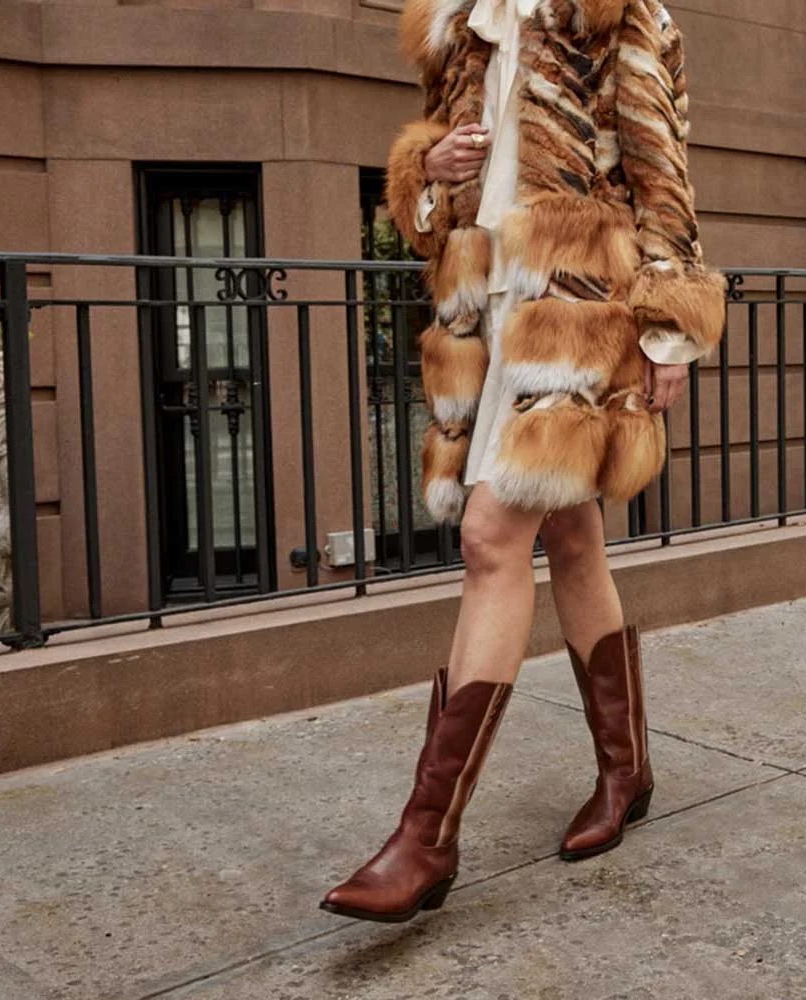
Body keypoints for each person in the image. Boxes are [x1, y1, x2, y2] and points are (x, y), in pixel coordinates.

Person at [321, 0, 726, 923]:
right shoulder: (463, 24)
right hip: (490, 311)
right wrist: (432, 169)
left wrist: (668, 332)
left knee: (490, 539)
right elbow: (432, 209)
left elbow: (662, 178)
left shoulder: (616, 15)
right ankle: (627, 771)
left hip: (577, 311)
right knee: (574, 542)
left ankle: (426, 836)